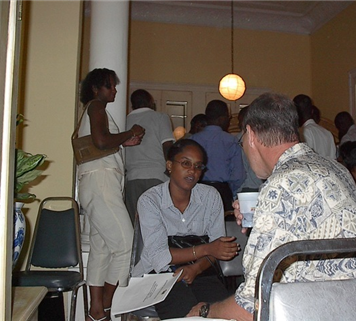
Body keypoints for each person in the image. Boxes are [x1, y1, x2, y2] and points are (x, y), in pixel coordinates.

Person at [187, 92, 356, 320]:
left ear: (251, 135)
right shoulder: (336, 169)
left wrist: (204, 311)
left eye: (242, 140)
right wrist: (262, 216)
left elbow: (252, 307)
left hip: (317, 311)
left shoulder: (281, 185)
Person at [132, 139, 239, 319]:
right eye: (186, 163)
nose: (192, 171)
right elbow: (159, 256)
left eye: (198, 166)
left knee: (224, 313)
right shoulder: (150, 200)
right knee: (182, 311)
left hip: (202, 271)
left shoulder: (210, 197)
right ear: (169, 165)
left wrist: (196, 268)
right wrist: (207, 248)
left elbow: (219, 249)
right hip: (161, 276)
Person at [77, 68, 145, 321]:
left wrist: (123, 142)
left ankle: (95, 312)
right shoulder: (96, 107)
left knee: (102, 248)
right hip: (101, 182)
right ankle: (105, 307)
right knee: (126, 243)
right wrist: (130, 131)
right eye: (110, 86)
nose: (115, 90)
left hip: (97, 182)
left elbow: (103, 141)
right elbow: (102, 142)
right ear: (96, 89)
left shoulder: (93, 110)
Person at [125, 89, 175, 226]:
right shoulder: (160, 117)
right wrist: (171, 169)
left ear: (132, 105)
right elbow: (167, 145)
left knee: (136, 225)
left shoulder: (124, 120)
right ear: (150, 102)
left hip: (132, 179)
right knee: (159, 224)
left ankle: (137, 249)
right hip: (156, 176)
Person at [191, 100, 245, 211]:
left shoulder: (193, 140)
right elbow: (238, 175)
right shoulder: (231, 141)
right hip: (222, 191)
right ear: (222, 118)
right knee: (222, 226)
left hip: (197, 190)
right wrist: (232, 191)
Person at [293, 94, 336, 159]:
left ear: (295, 113)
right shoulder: (327, 133)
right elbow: (334, 159)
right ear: (312, 111)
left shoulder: (303, 133)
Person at [236, 106, 263, 193]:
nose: (238, 124)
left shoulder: (238, 139)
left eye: (240, 121)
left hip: (245, 187)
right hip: (261, 187)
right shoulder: (264, 137)